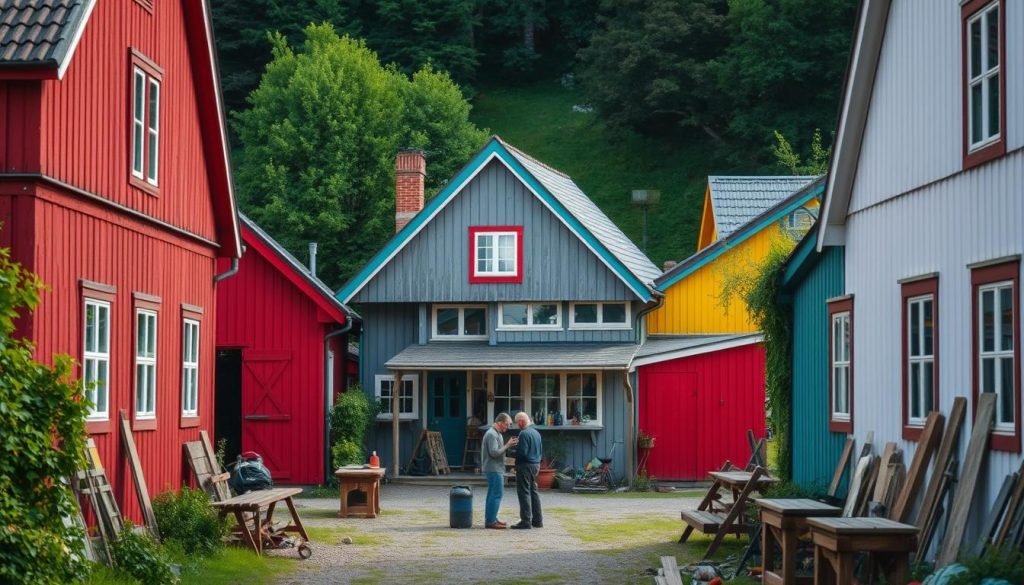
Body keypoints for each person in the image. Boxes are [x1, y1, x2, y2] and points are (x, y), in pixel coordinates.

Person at [481, 412, 517, 529]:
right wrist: (507, 445)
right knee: (497, 494)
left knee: (492, 494)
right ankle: (491, 521)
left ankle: (492, 518)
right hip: (493, 469)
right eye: (506, 425)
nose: (507, 427)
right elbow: (494, 453)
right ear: (500, 422)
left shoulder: (497, 434)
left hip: (495, 468)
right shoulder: (492, 434)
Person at [511, 412, 543, 529]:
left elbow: (522, 453)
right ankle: (538, 520)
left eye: (516, 422)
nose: (516, 425)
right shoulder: (536, 433)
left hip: (525, 465)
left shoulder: (523, 434)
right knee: (534, 491)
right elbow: (540, 451)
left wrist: (512, 451)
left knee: (523, 492)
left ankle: (525, 521)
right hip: (536, 465)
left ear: (521, 421)